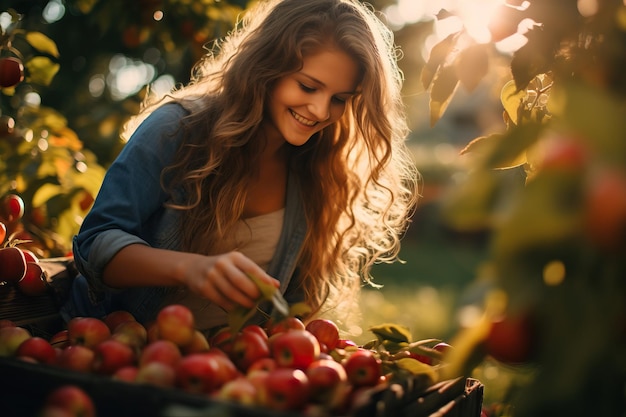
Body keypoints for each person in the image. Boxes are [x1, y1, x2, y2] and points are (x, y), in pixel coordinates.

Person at [61, 0, 419, 335]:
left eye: (340, 99)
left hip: (230, 376)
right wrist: (191, 269)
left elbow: (291, 309)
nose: (322, 111)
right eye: (308, 86)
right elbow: (95, 246)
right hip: (118, 355)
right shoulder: (176, 130)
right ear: (267, 66)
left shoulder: (317, 169)